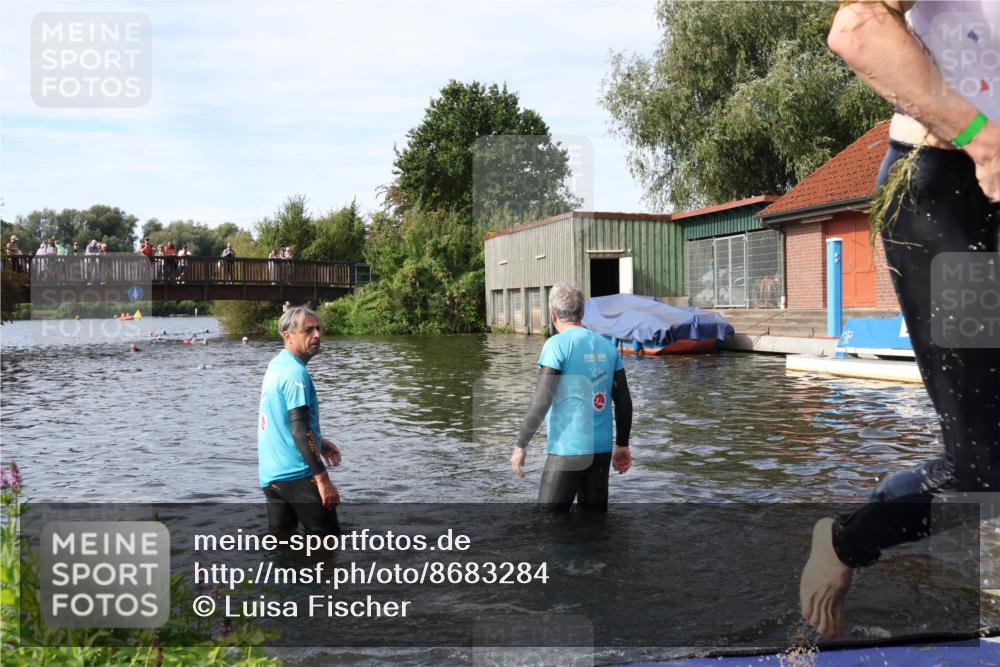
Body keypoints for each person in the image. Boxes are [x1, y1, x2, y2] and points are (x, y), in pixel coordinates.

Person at [799, 0, 1000, 640]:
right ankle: (845, 541)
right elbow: (857, 28)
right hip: (956, 197)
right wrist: (983, 137)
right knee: (986, 466)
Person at [509, 283, 633, 511]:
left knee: (548, 526)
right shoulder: (607, 347)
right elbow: (623, 401)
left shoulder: (556, 346)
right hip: (601, 452)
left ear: (552, 313)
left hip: (568, 451)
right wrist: (622, 445)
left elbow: (541, 400)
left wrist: (520, 445)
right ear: (583, 313)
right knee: (595, 527)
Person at [258, 306, 343, 536]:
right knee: (328, 544)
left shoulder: (276, 365)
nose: (317, 335)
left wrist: (319, 441)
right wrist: (323, 479)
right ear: (288, 336)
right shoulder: (297, 374)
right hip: (299, 476)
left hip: (272, 478)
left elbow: (281, 419)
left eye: (318, 329)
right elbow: (299, 429)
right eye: (308, 330)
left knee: (284, 549)